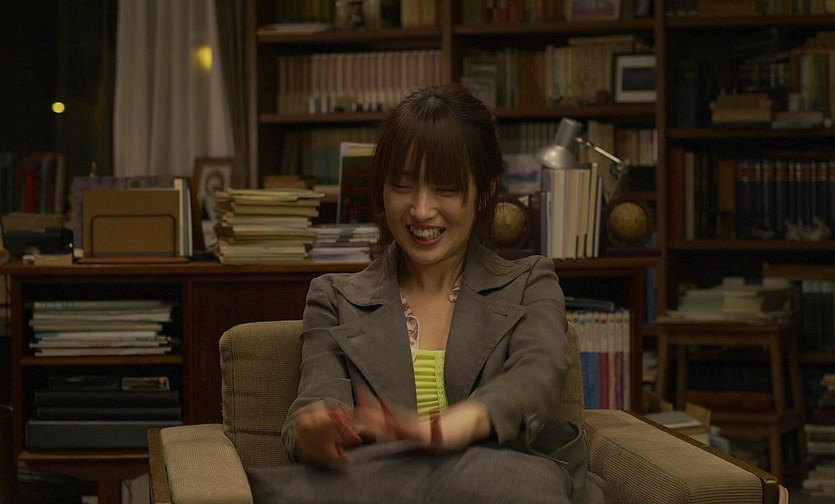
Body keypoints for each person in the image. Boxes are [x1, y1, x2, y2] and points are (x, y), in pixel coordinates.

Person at [246, 83, 588, 503]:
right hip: (381, 479)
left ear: (484, 192)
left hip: (496, 483)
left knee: (517, 481)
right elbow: (316, 401)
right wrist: (315, 432)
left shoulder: (530, 281)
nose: (422, 210)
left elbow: (537, 374)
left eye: (446, 188)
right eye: (403, 186)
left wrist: (450, 428)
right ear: (382, 189)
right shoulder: (334, 297)